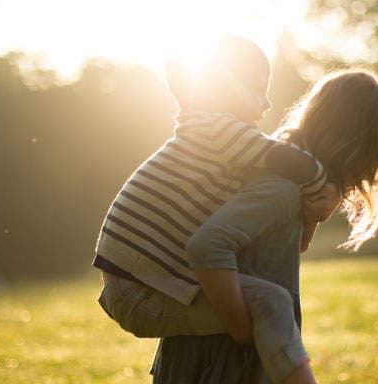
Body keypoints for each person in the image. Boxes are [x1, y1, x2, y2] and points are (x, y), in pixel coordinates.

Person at [93, 34, 340, 383]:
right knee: (272, 302)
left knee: (266, 301)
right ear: (224, 88)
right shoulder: (217, 131)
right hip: (142, 291)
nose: (267, 103)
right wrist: (322, 185)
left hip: (138, 285)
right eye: (258, 89)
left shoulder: (204, 136)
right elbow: (288, 160)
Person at [149, 67, 378, 383]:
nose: (371, 175)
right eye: (375, 159)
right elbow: (207, 245)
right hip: (219, 358)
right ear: (350, 145)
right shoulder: (279, 189)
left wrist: (317, 207)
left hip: (229, 353)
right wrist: (242, 328)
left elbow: (286, 246)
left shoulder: (289, 187)